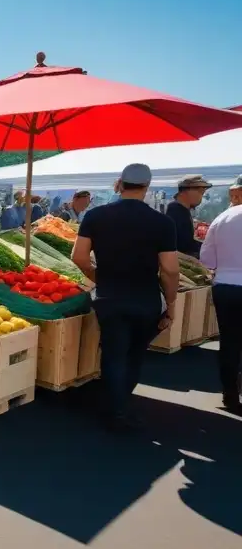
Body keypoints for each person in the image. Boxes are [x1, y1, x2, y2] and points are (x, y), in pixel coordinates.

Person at [72, 164, 178, 432]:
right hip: (146, 299)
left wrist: (99, 277)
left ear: (120, 183)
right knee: (134, 355)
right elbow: (170, 270)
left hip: (110, 296)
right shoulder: (162, 222)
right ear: (147, 186)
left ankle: (114, 410)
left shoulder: (96, 216)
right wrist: (172, 303)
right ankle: (120, 406)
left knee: (113, 354)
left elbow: (79, 257)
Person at [199, 174, 242, 414]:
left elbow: (207, 259)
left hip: (225, 285)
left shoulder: (222, 218)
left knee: (229, 342)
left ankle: (230, 395)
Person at [166, 174, 211, 258]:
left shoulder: (182, 210)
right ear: (185, 191)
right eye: (200, 192)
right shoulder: (176, 210)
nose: (201, 197)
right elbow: (184, 245)